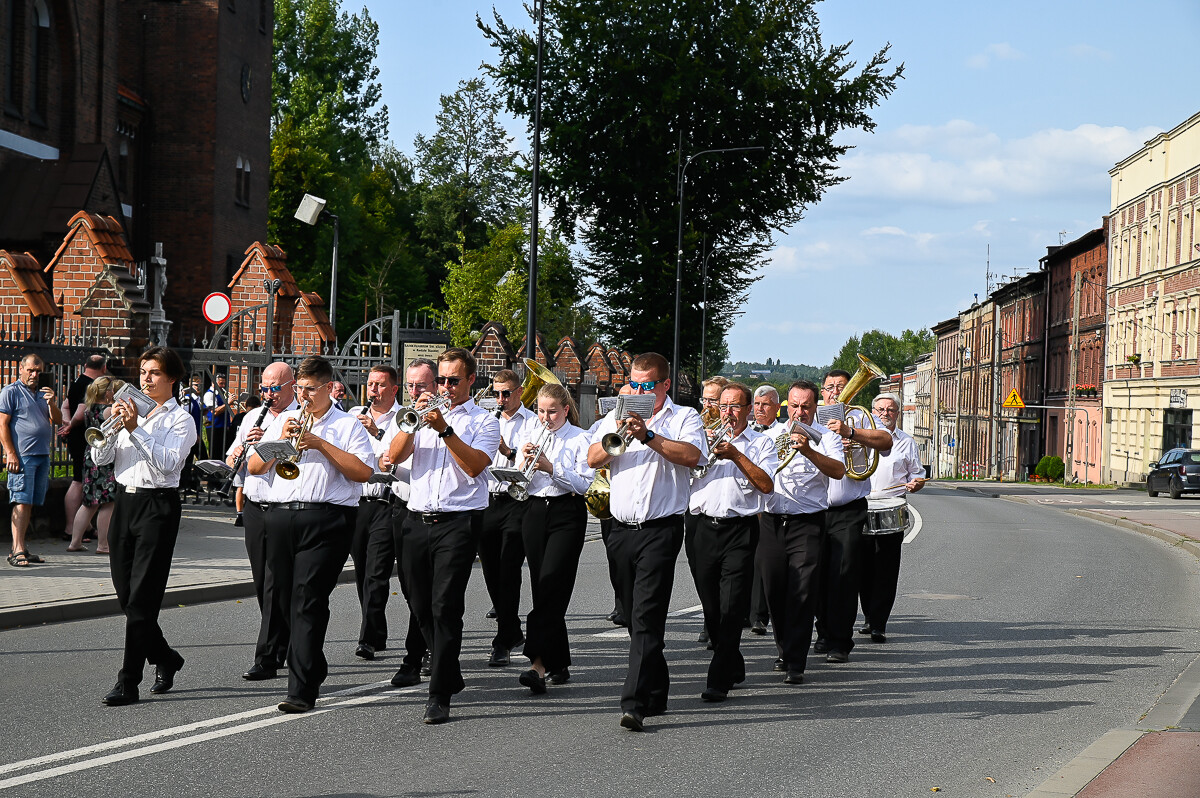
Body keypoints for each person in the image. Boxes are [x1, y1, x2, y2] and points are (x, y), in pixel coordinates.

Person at [247, 356, 373, 713]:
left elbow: (363, 472)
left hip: (327, 519)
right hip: (281, 517)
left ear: (328, 388)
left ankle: (300, 690)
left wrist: (319, 444)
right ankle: (313, 666)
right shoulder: (284, 422)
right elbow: (255, 467)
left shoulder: (348, 426)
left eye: (309, 390)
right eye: (299, 389)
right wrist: (279, 445)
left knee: (308, 600)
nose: (303, 397)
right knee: (286, 602)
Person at [587, 352, 703, 732]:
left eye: (647, 385)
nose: (638, 391)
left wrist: (649, 435)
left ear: (665, 385)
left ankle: (634, 703)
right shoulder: (614, 416)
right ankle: (658, 689)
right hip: (619, 530)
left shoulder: (684, 418)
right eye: (634, 384)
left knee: (646, 615)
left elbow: (691, 456)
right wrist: (617, 433)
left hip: (660, 530)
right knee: (636, 618)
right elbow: (591, 459)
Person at [387, 347, 499, 724]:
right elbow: (394, 457)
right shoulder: (419, 414)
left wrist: (445, 430)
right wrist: (412, 423)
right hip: (416, 519)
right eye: (442, 380)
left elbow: (474, 467)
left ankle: (439, 694)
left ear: (470, 381)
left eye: (453, 381)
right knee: (418, 604)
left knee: (445, 607)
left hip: (458, 522)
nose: (446, 387)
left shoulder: (484, 421)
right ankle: (449, 673)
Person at [93, 346, 197, 706]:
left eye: (154, 372)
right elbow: (101, 458)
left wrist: (137, 428)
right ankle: (166, 656)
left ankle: (128, 681)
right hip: (125, 502)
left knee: (142, 598)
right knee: (126, 595)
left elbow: (168, 465)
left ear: (171, 378)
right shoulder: (127, 412)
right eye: (143, 371)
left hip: (157, 506)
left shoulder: (181, 420)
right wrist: (111, 428)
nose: (146, 378)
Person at [687, 382, 776, 703]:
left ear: (749, 410)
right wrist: (701, 448)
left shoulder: (762, 444)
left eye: (736, 407)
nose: (728, 413)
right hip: (701, 528)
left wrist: (736, 455)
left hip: (740, 530)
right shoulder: (699, 436)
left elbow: (766, 485)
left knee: (730, 607)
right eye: (724, 406)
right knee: (711, 608)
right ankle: (733, 660)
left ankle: (718, 679)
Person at [759, 381, 845, 685]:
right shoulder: (771, 436)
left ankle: (796, 660)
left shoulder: (827, 438)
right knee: (774, 589)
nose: (800, 412)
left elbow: (837, 471)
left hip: (807, 522)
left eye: (806, 406)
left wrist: (808, 450)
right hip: (770, 521)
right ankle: (784, 648)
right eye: (795, 406)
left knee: (802, 589)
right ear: (786, 405)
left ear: (815, 407)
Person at [512, 382, 594, 695]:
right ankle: (559, 662)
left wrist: (552, 466)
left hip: (566, 512)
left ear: (566, 410)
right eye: (541, 411)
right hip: (534, 511)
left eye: (552, 412)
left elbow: (584, 484)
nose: (546, 417)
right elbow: (524, 477)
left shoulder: (580, 438)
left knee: (553, 584)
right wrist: (526, 464)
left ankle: (538, 665)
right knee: (541, 586)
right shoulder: (531, 431)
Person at [814, 368, 894, 663]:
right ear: (821, 392)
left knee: (844, 575)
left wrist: (851, 434)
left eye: (841, 386)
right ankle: (822, 630)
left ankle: (839, 641)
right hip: (814, 509)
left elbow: (885, 441)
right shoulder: (810, 417)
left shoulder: (859, 418)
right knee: (816, 575)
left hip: (848, 509)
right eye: (829, 387)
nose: (834, 391)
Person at [226, 362, 297, 681]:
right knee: (262, 582)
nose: (268, 395)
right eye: (264, 389)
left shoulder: (299, 417)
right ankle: (285, 640)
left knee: (275, 581)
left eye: (275, 389)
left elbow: (284, 459)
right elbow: (232, 459)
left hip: (285, 506)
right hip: (255, 505)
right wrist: (240, 449)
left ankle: (268, 656)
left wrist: (263, 445)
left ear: (292, 385)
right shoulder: (251, 419)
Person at [382, 358, 437, 688]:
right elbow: (389, 455)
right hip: (404, 507)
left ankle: (416, 657)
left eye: (423, 385)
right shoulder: (403, 418)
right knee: (411, 588)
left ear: (436, 386)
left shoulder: (448, 418)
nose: (416, 392)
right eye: (412, 386)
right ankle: (428, 647)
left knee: (432, 590)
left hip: (440, 513)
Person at [348, 365, 403, 660]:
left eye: (380, 385)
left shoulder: (405, 419)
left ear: (394, 389)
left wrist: (377, 431)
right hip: (358, 503)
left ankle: (367, 638)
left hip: (386, 501)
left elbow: (394, 457)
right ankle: (376, 630)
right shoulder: (353, 415)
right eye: (370, 384)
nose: (373, 390)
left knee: (377, 572)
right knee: (361, 571)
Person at [480, 368, 535, 666]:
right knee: (490, 570)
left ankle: (502, 639)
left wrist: (507, 449)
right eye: (496, 393)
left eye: (506, 393)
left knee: (509, 569)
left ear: (519, 392)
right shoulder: (485, 418)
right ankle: (512, 629)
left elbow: (530, 462)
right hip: (487, 500)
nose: (500, 399)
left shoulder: (533, 422)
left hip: (517, 500)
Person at [861, 393, 925, 643]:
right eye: (880, 409)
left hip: (892, 509)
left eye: (890, 410)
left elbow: (917, 474)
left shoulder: (907, 442)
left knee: (886, 569)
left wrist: (916, 484)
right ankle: (868, 616)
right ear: (872, 411)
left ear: (897, 414)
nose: (885, 413)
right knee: (863, 568)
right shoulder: (859, 438)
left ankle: (879, 623)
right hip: (861, 507)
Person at [1, 353, 62, 567]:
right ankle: (16, 550)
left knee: (30, 503)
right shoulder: (11, 392)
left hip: (42, 454)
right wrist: (10, 453)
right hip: (22, 456)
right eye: (31, 370)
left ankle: (22, 548)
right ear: (21, 369)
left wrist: (52, 402)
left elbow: (57, 420)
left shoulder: (43, 393)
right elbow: (2, 425)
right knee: (21, 501)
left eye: (38, 371)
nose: (35, 374)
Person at [687, 375, 727, 646]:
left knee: (725, 578)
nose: (707, 406)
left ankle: (721, 625)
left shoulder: (738, 430)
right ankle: (710, 616)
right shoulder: (694, 427)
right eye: (705, 399)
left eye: (713, 400)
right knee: (700, 571)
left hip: (727, 512)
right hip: (695, 509)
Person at [66, 376, 125, 553]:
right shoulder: (108, 410)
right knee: (107, 503)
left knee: (89, 503)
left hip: (90, 456)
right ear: (108, 392)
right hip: (105, 459)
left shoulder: (88, 409)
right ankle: (103, 544)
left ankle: (74, 542)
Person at [748, 384, 783, 635]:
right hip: (750, 505)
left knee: (767, 563)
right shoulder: (745, 431)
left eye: (766, 404)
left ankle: (765, 613)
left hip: (775, 503)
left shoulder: (782, 433)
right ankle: (753, 613)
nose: (760, 409)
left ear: (777, 408)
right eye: (757, 404)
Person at [59, 354, 107, 538]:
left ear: (85, 365)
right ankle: (71, 528)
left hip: (77, 438)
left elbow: (65, 405)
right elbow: (81, 410)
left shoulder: (78, 381)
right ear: (103, 368)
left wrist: (66, 422)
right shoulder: (91, 386)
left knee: (82, 480)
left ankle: (84, 526)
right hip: (84, 438)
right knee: (79, 481)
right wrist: (72, 424)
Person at [204, 372, 231, 460]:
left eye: (224, 383)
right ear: (213, 383)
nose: (223, 386)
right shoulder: (209, 394)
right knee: (215, 454)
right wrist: (228, 403)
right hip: (214, 427)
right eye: (221, 383)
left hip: (222, 427)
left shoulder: (220, 394)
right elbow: (214, 412)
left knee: (223, 453)